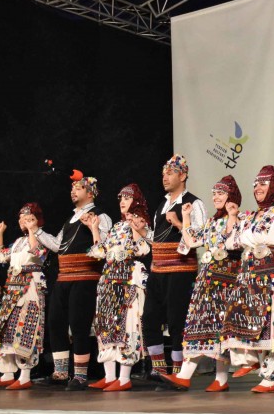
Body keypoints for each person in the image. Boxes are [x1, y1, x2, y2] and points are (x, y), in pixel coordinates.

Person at [222, 166, 274, 393]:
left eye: (264, 183)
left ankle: (268, 379)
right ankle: (251, 361)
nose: (257, 187)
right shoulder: (249, 217)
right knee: (246, 318)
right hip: (251, 274)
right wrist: (233, 217)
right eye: (255, 183)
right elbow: (231, 243)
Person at [160, 175, 242, 392]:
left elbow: (232, 242)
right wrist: (186, 218)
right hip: (208, 280)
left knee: (220, 329)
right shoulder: (212, 222)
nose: (216, 197)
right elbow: (191, 241)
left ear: (231, 196)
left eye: (221, 193)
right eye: (214, 193)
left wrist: (232, 216)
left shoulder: (238, 218)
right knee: (199, 325)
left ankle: (219, 379)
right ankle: (188, 376)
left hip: (227, 281)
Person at [36, 174, 112, 390]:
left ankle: (80, 375)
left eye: (78, 188)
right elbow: (58, 245)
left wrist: (92, 227)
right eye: (72, 188)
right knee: (56, 322)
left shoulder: (101, 216)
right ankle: (60, 372)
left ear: (90, 193)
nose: (73, 191)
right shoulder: (70, 219)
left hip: (85, 278)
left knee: (79, 325)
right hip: (64, 277)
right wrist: (36, 231)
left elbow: (105, 246)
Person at [142, 154, 207, 377]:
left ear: (183, 175)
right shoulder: (162, 204)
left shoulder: (194, 203)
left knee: (177, 320)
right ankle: (159, 369)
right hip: (158, 270)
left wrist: (179, 223)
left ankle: (179, 371)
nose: (165, 177)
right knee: (150, 318)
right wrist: (142, 231)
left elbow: (200, 237)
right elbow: (157, 238)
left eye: (170, 173)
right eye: (163, 174)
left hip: (181, 270)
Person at [86, 184, 152, 391]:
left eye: (127, 198)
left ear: (136, 201)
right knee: (106, 325)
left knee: (128, 326)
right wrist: (94, 229)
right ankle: (109, 376)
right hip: (109, 280)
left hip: (128, 279)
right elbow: (100, 251)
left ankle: (124, 378)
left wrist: (137, 228)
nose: (122, 202)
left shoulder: (141, 222)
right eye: (120, 198)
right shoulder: (116, 226)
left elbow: (143, 249)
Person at [0, 205, 47, 389]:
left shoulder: (41, 237)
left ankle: (25, 376)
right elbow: (1, 257)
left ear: (35, 219)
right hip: (12, 288)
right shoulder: (18, 241)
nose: (22, 221)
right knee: (7, 328)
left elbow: (37, 252)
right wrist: (0, 233)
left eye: (27, 217)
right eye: (20, 218)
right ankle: (7, 374)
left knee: (26, 326)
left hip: (30, 286)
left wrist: (33, 230)